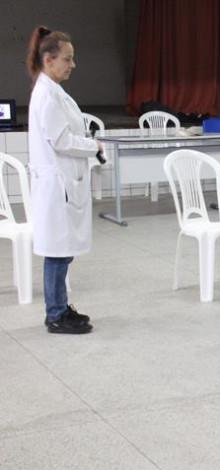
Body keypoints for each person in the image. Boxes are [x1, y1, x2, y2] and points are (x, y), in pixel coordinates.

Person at [26, 26, 101, 334]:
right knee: (57, 252)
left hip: (61, 184)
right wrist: (92, 146)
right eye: (67, 59)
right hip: (56, 186)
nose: (72, 65)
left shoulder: (52, 90)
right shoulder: (46, 94)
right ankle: (55, 314)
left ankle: (59, 307)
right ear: (49, 60)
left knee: (62, 250)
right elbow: (60, 140)